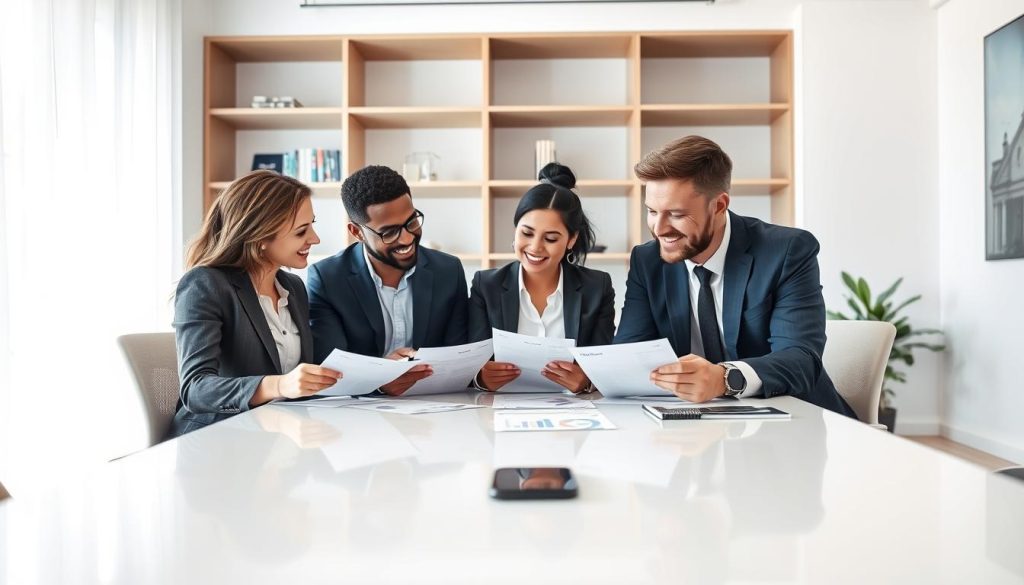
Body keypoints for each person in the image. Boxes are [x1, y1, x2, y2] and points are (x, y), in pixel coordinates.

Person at [614, 136, 855, 417]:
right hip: (693, 428)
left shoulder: (787, 251)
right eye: (652, 211)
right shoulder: (648, 260)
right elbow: (630, 356)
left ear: (719, 205)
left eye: (676, 214)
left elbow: (801, 360)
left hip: (792, 422)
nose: (659, 228)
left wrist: (724, 378)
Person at [170, 170, 342, 438]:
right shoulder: (205, 284)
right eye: (301, 231)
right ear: (261, 237)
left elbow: (302, 378)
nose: (315, 239)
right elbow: (196, 388)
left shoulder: (293, 288)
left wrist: (380, 373)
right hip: (218, 439)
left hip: (281, 436)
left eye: (312, 225)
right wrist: (279, 385)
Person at [307, 165, 469, 396]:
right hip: (358, 409)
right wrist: (381, 377)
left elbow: (457, 357)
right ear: (357, 232)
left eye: (411, 222)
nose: (407, 238)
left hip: (433, 401)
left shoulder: (448, 270)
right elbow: (331, 371)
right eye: (389, 232)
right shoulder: (327, 279)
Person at [468, 163, 615, 394]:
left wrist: (587, 381)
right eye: (526, 233)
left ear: (571, 240)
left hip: (574, 417)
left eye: (551, 238)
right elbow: (470, 362)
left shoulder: (597, 288)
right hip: (499, 411)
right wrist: (481, 378)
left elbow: (605, 365)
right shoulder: (485, 286)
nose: (535, 248)